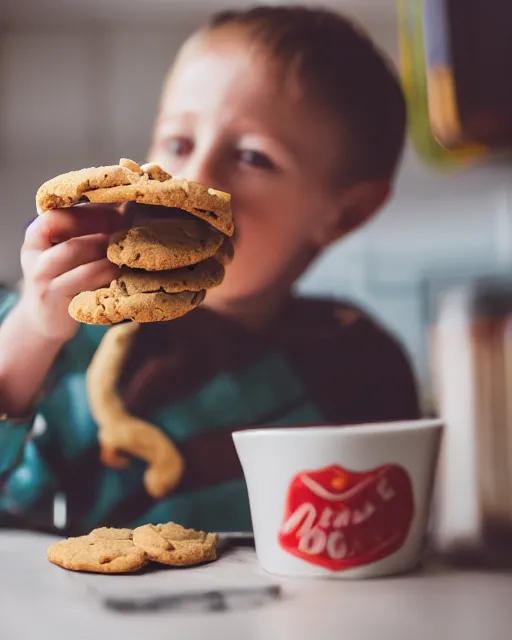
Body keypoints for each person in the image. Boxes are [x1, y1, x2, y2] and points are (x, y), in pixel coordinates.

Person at [0, 5, 419, 535]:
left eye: (252, 157)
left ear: (346, 211)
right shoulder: (60, 324)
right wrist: (30, 337)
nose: (194, 181)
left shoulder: (355, 370)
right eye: (178, 144)